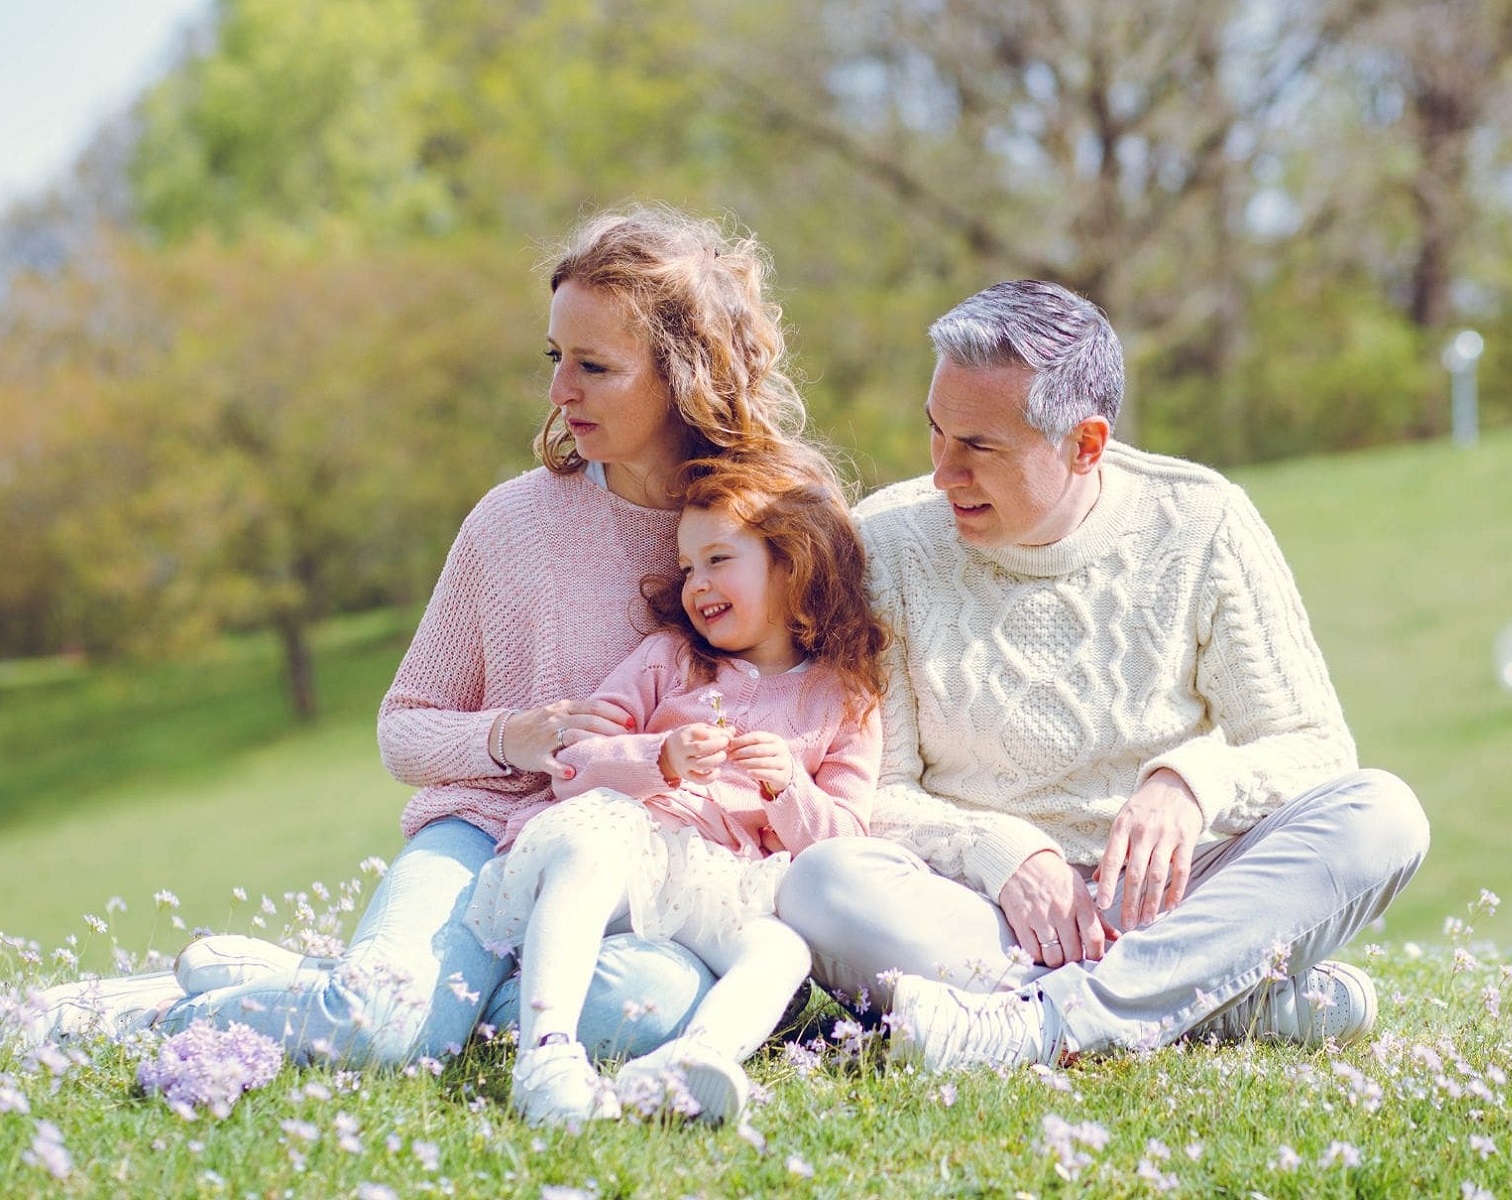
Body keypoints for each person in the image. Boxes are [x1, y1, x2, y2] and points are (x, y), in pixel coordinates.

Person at [21, 204, 824, 1069]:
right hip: (482, 835)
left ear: (683, 376)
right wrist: (516, 736)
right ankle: (129, 1014)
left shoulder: (773, 527)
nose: (560, 392)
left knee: (650, 1003)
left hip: (650, 874)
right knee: (381, 1025)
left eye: (594, 366)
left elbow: (839, 699)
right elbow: (403, 728)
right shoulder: (510, 525)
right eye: (556, 360)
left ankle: (345, 988)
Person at [775, 279, 1431, 1070]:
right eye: (935, 433)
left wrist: (1192, 782)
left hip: (1172, 902)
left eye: (979, 447)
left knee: (1383, 813)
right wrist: (996, 849)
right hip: (986, 911)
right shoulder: (885, 542)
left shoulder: (1202, 521)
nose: (945, 471)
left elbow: (1315, 747)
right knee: (822, 881)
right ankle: (1202, 1003)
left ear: (1085, 445)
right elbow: (870, 792)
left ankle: (1038, 1023)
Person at [465, 454, 885, 1126]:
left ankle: (690, 1064)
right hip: (625, 842)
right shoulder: (671, 658)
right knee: (590, 851)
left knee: (781, 951)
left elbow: (847, 845)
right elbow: (573, 760)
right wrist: (655, 757)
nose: (697, 584)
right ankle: (546, 1056)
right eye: (689, 568)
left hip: (718, 879)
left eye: (719, 560)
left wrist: (788, 788)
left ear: (793, 562)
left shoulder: (844, 700)